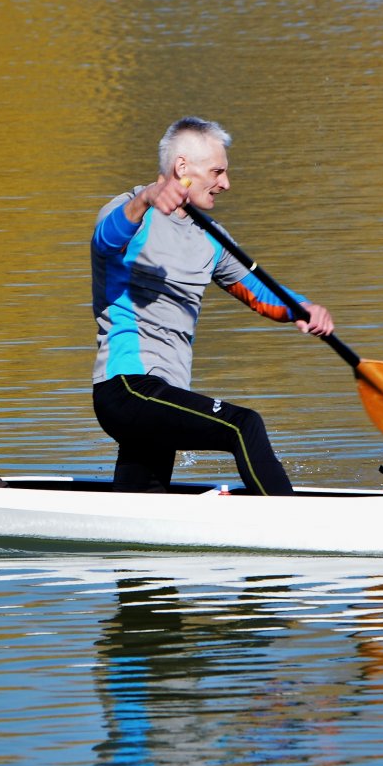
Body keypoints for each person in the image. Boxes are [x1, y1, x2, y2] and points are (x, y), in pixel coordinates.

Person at [90, 116, 335, 496]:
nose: (226, 183)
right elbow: (105, 241)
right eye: (217, 172)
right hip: (127, 388)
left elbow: (258, 291)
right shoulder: (128, 211)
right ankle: (290, 519)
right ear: (182, 167)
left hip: (165, 395)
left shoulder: (211, 238)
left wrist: (302, 308)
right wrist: (147, 198)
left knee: (143, 502)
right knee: (243, 425)